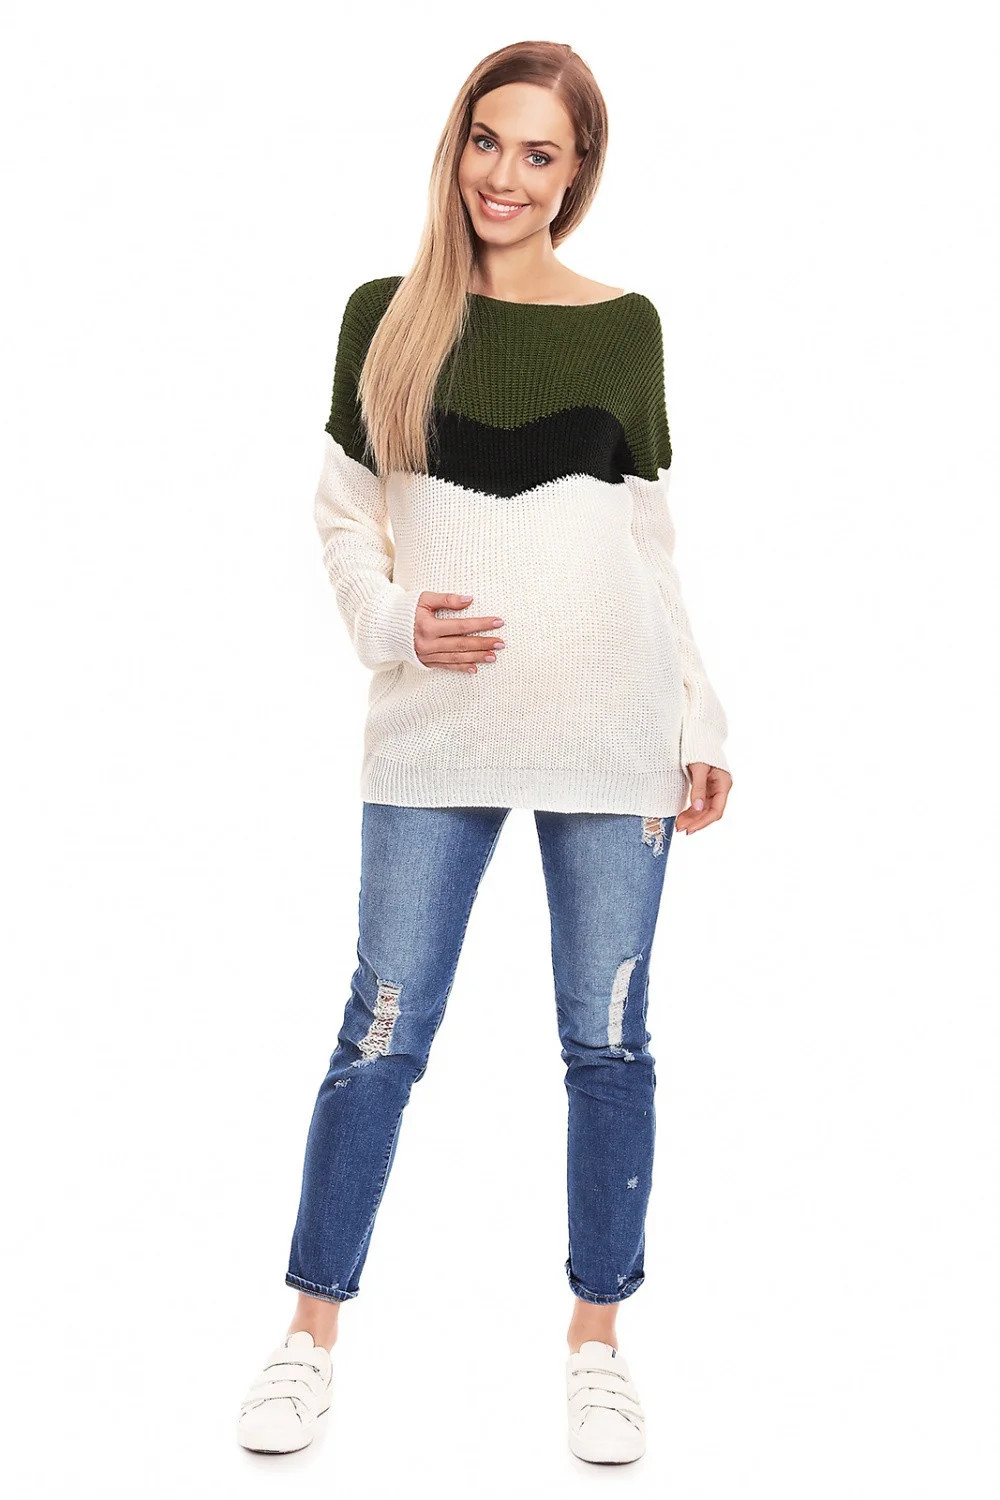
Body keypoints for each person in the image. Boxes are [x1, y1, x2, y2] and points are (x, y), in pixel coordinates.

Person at [236, 39, 733, 1467]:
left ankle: (598, 1343)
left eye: (539, 154)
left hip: (614, 733)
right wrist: (394, 623)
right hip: (434, 732)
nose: (505, 176)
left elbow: (649, 542)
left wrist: (699, 716)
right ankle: (307, 1333)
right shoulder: (385, 318)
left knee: (608, 1043)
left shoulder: (626, 326)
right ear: (456, 144)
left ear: (577, 175)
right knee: (380, 1035)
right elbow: (344, 518)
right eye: (487, 141)